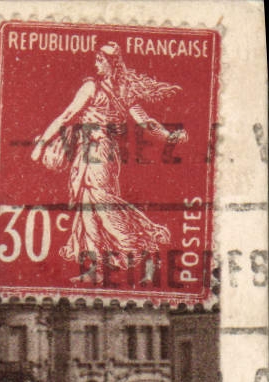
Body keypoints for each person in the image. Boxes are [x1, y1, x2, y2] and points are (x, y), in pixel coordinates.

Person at [31, 42, 187, 284]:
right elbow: (146, 122)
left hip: (97, 151)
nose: (96, 64)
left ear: (109, 63)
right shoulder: (123, 90)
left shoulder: (91, 87)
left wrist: (41, 144)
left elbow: (67, 116)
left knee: (102, 203)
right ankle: (97, 267)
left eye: (99, 60)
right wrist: (169, 136)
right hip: (101, 152)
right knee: (88, 207)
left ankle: (143, 250)